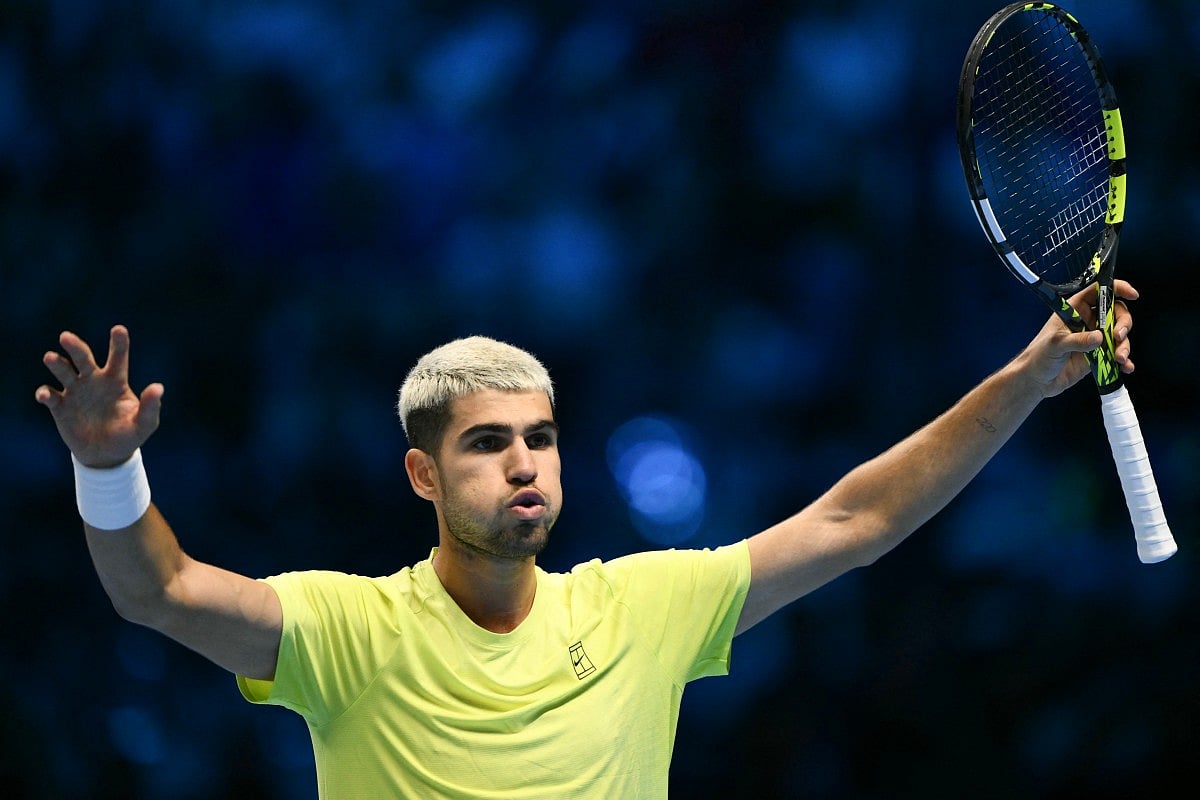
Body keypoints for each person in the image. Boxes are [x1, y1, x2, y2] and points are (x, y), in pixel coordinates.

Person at [35, 284, 1139, 798]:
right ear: (423, 475)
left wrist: (1026, 377)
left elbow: (856, 521)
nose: (524, 463)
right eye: (487, 444)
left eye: (542, 438)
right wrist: (107, 466)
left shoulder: (638, 608)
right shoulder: (347, 629)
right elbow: (159, 591)